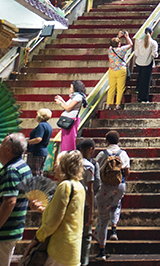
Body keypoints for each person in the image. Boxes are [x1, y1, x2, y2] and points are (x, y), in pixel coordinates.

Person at [0, 133, 32, 266]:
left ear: (9, 150)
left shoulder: (11, 171)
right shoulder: (23, 167)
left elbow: (9, 202)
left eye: (2, 144)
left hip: (1, 235)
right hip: (9, 232)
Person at [29, 150, 85, 266]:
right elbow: (67, 215)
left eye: (58, 163)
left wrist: (37, 238)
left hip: (59, 249)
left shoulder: (65, 186)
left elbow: (54, 221)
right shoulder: (79, 186)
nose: (55, 167)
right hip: (72, 247)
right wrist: (44, 210)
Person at [94, 130, 130, 258]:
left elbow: (96, 170)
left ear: (107, 141)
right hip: (119, 186)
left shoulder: (102, 154)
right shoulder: (123, 154)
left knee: (103, 217)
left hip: (104, 187)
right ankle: (114, 229)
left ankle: (102, 251)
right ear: (118, 141)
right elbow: (127, 172)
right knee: (116, 206)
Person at [78, 139, 99, 266]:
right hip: (85, 203)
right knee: (86, 236)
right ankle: (83, 262)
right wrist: (91, 212)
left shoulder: (71, 163)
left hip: (72, 203)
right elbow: (91, 190)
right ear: (90, 149)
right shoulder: (89, 166)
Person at [55, 80, 87, 152]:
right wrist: (61, 100)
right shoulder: (74, 96)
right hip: (68, 119)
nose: (70, 89)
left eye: (71, 87)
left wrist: (59, 103)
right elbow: (67, 105)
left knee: (69, 140)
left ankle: (69, 154)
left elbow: (68, 108)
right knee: (65, 140)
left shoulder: (78, 96)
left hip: (71, 120)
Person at [105, 31, 133, 110]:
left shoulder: (110, 50)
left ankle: (108, 104)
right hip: (121, 70)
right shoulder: (121, 50)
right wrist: (127, 36)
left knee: (111, 88)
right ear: (119, 44)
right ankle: (117, 104)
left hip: (112, 70)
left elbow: (113, 43)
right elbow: (131, 44)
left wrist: (118, 36)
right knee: (120, 88)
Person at [133, 28, 158, 103]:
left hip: (139, 62)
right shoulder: (153, 43)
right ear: (152, 33)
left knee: (140, 79)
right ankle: (144, 98)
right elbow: (154, 54)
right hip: (147, 62)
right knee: (146, 81)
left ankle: (139, 97)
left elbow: (136, 53)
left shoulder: (140, 42)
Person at [27, 108, 53, 177]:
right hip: (43, 151)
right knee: (39, 172)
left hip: (36, 152)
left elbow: (38, 139)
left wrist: (27, 142)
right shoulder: (48, 126)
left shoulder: (41, 125)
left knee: (34, 173)